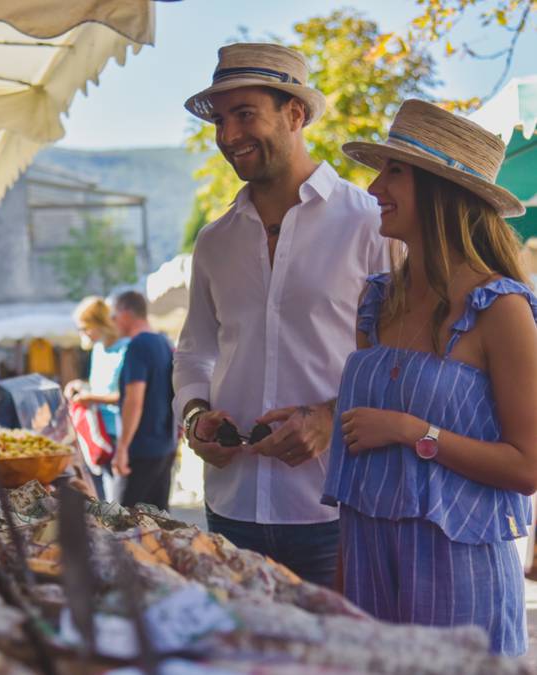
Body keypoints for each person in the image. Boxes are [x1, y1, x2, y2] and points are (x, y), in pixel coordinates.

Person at [321, 99, 537, 655]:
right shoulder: (377, 301)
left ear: (443, 191)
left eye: (395, 171)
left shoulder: (501, 308)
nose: (373, 188)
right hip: (369, 571)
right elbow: (357, 481)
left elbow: (527, 466)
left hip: (460, 585)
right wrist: (342, 599)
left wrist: (411, 430)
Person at [173, 43, 390, 587]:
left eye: (245, 114)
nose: (227, 136)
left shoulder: (370, 224)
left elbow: (405, 357)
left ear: (296, 113)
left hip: (337, 510)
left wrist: (328, 420)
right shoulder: (214, 241)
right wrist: (195, 416)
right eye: (220, 120)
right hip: (229, 510)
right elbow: (195, 351)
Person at [111, 291, 176, 510]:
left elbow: (134, 400)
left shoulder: (137, 346)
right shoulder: (163, 342)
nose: (113, 322)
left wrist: (122, 448)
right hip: (165, 446)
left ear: (126, 314)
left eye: (114, 316)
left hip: (141, 450)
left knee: (122, 522)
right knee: (158, 522)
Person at [64, 297, 129, 501]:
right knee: (103, 497)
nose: (83, 334)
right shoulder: (99, 349)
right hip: (98, 433)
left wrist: (91, 397)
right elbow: (101, 387)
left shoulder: (126, 349)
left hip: (119, 432)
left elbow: (127, 396)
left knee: (117, 500)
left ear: (99, 323)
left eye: (85, 327)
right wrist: (80, 386)